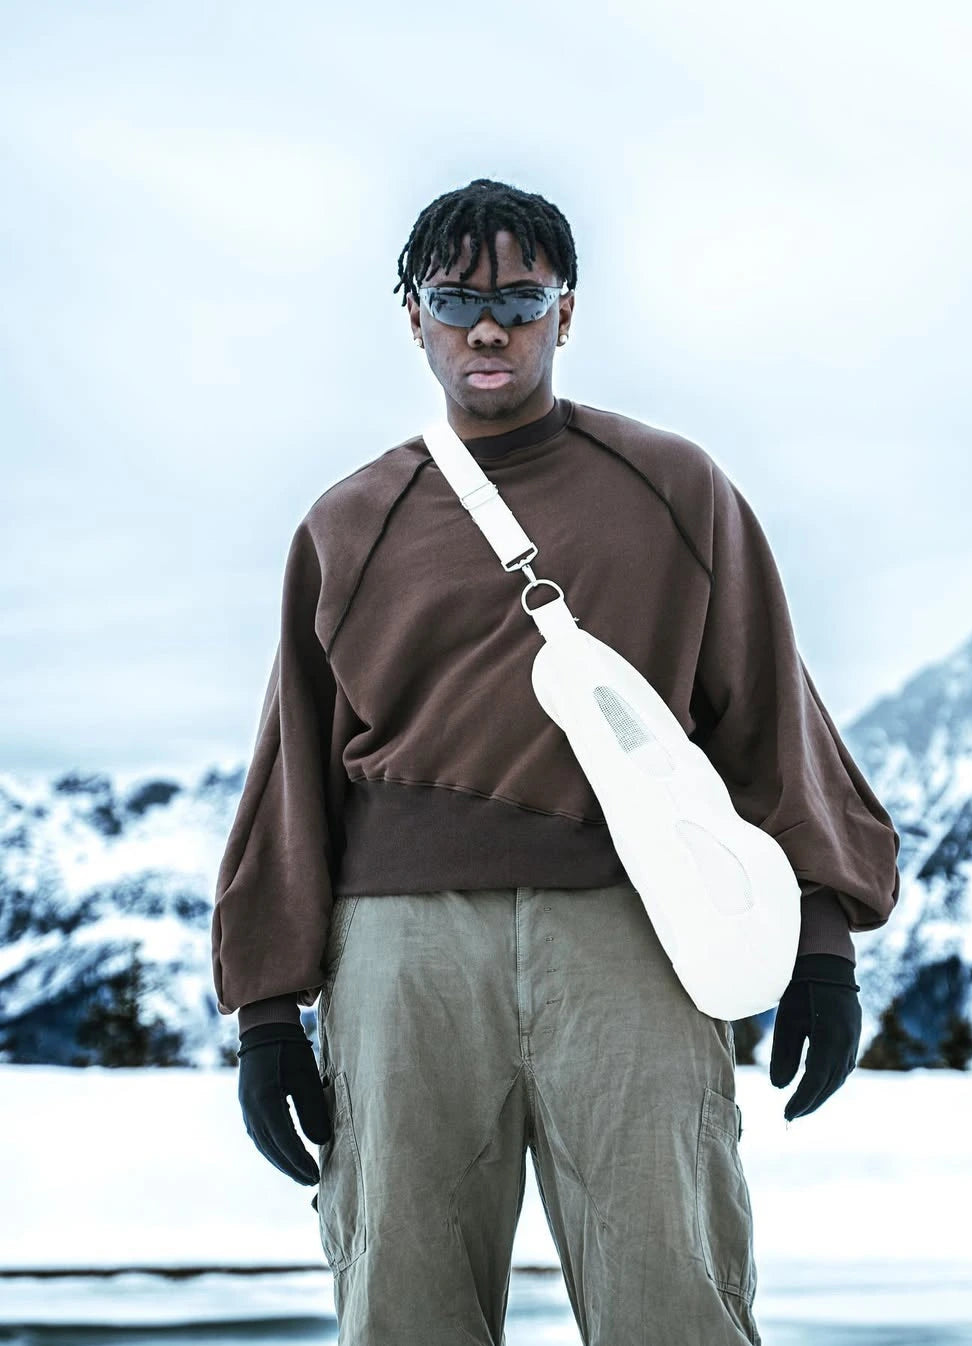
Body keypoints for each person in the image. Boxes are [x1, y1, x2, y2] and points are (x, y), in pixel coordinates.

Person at [211, 177, 901, 1345]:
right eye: (457, 297)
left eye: (522, 297)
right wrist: (268, 1008)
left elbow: (769, 712)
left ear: (567, 314)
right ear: (413, 315)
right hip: (401, 955)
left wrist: (824, 942)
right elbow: (293, 779)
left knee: (673, 1298)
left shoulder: (673, 488)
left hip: (630, 932)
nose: (491, 326)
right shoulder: (348, 521)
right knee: (403, 1307)